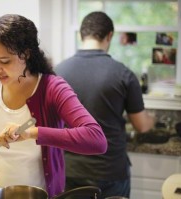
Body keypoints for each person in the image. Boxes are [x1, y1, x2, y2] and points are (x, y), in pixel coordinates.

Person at [0, 14, 107, 198]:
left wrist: (31, 133)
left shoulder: (53, 88)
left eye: (4, 61)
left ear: (25, 54)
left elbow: (96, 140)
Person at [55, 11, 155, 199]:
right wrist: (153, 119)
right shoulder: (123, 73)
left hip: (69, 170)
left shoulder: (57, 72)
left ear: (81, 35)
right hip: (109, 170)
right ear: (109, 36)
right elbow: (142, 125)